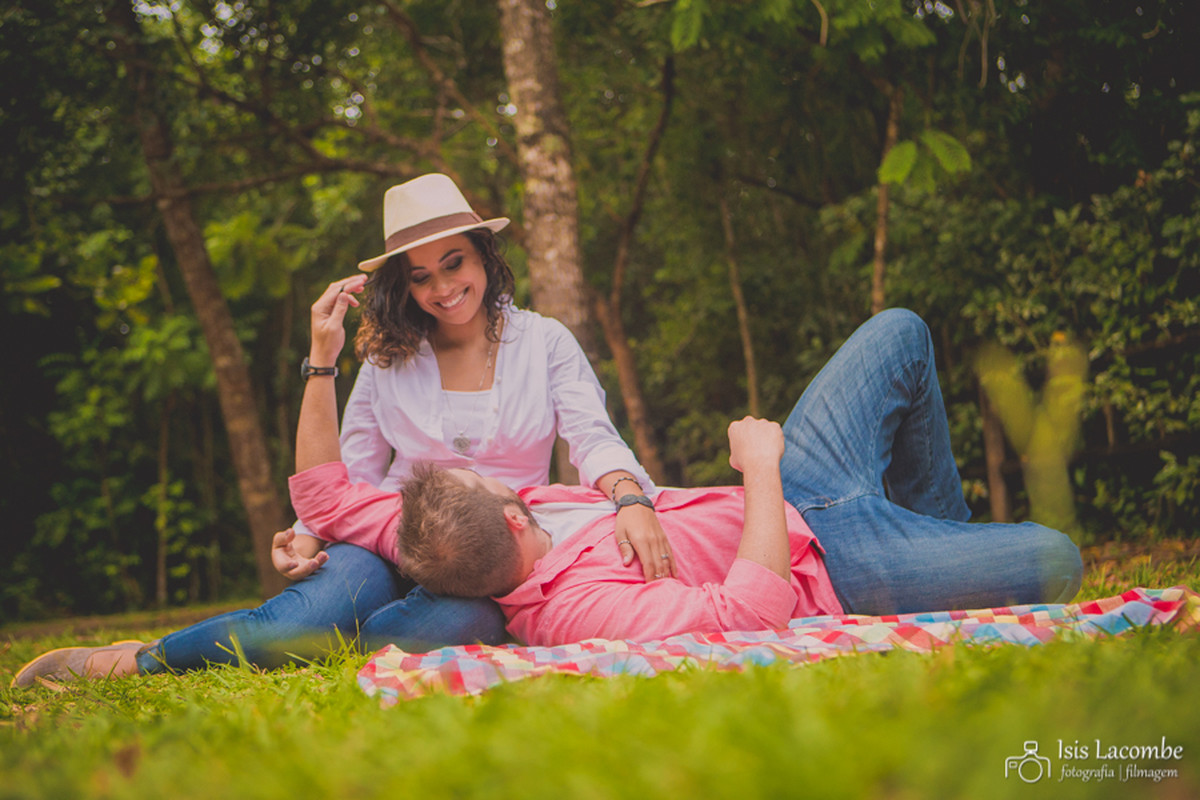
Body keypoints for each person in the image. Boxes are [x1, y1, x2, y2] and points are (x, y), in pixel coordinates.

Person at [12, 174, 665, 688]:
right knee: (294, 625)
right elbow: (347, 468)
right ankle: (138, 659)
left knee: (455, 622)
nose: (443, 288)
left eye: (454, 262)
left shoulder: (543, 340)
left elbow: (593, 436)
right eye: (420, 276)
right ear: (402, 285)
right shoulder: (390, 357)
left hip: (484, 554)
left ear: (485, 257)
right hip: (384, 535)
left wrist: (630, 497)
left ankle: (337, 639)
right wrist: (304, 531)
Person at [286, 308, 1084, 646]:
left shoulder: (449, 525)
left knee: (899, 333)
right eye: (501, 489)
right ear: (516, 525)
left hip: (806, 479)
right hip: (838, 561)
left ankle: (943, 523)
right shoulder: (575, 608)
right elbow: (751, 610)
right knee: (1055, 561)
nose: (511, 482)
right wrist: (761, 466)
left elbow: (322, 493)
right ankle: (931, 542)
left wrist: (323, 357)